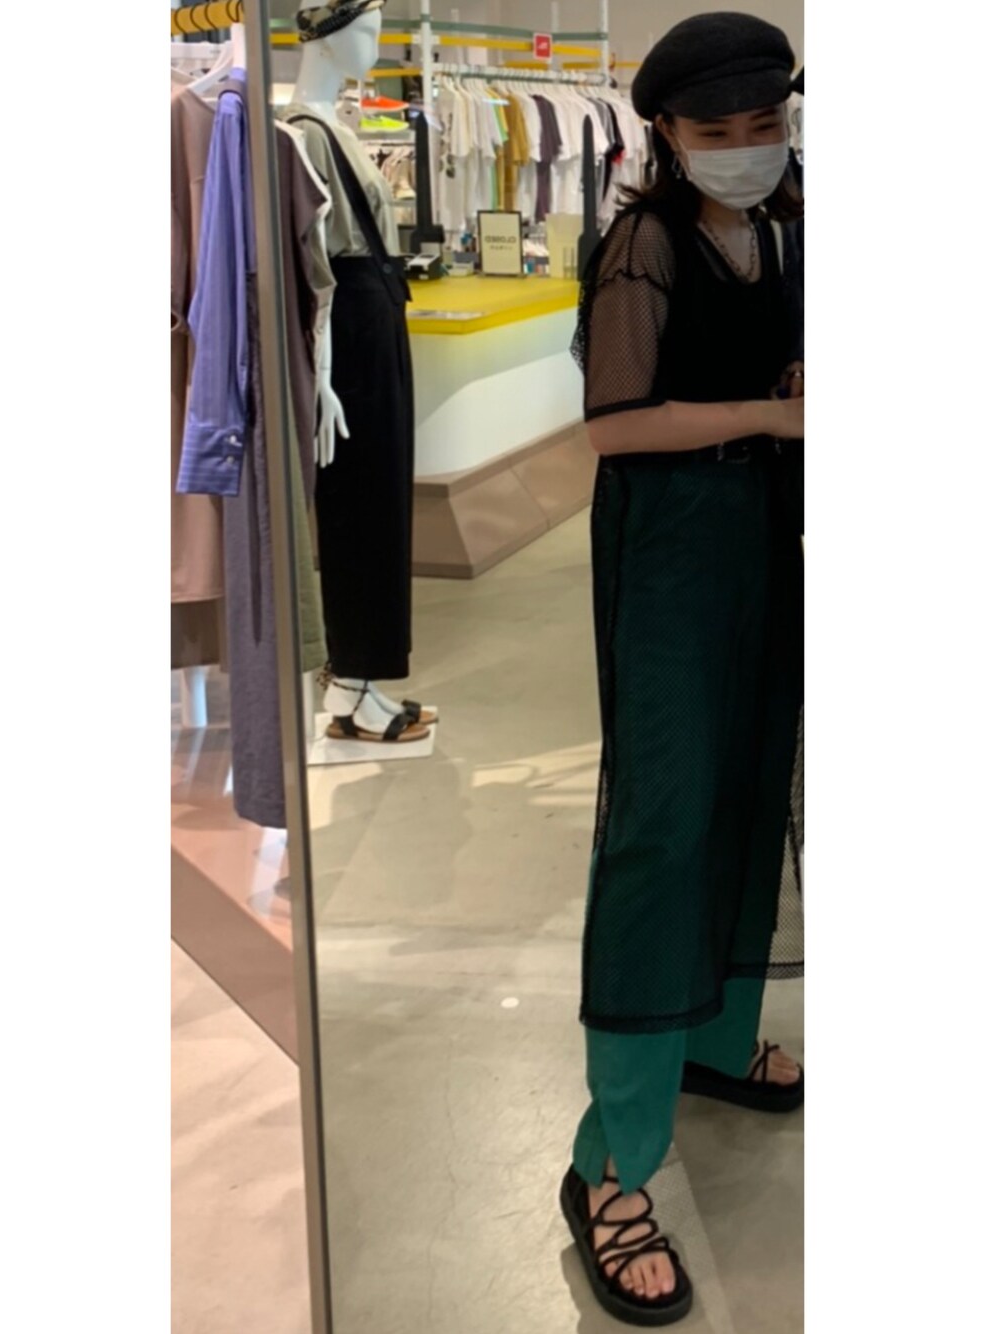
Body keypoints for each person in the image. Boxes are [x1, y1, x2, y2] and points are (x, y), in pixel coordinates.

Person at [561, 13, 805, 1326]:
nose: (750, 148)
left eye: (769, 123)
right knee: (662, 820)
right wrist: (778, 411)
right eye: (721, 131)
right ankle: (612, 1161)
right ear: (666, 131)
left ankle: (710, 1036)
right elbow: (615, 425)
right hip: (670, 546)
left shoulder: (788, 223)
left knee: (750, 789)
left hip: (766, 533)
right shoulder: (644, 242)